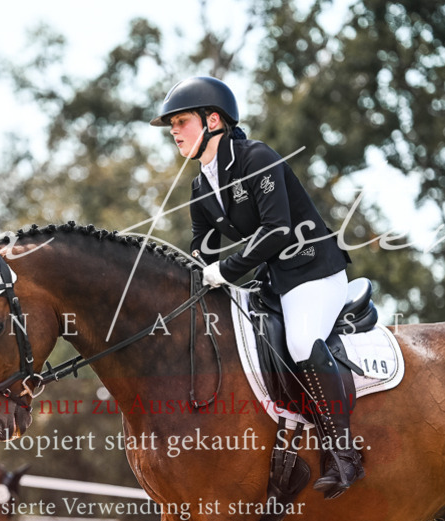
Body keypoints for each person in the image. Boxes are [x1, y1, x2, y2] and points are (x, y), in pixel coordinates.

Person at [151, 76, 362, 498]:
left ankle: (344, 453)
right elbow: (202, 250)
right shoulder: (199, 185)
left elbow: (279, 230)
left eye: (182, 121)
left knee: (302, 342)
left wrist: (226, 270)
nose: (174, 130)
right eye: (171, 123)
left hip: (314, 272)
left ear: (213, 120)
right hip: (272, 283)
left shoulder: (256, 158)